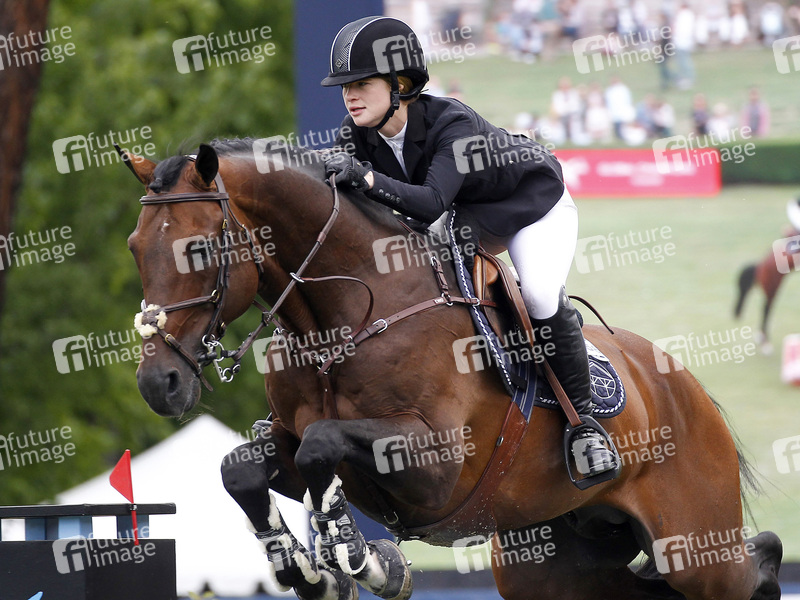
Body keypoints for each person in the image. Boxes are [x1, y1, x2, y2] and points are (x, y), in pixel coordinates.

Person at [319, 16, 619, 482]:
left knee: (539, 293)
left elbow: (431, 202)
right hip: (467, 217)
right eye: (344, 87)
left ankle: (585, 425)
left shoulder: (452, 123)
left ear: (400, 85)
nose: (349, 96)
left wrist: (367, 178)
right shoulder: (354, 132)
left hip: (532, 206)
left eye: (361, 84)